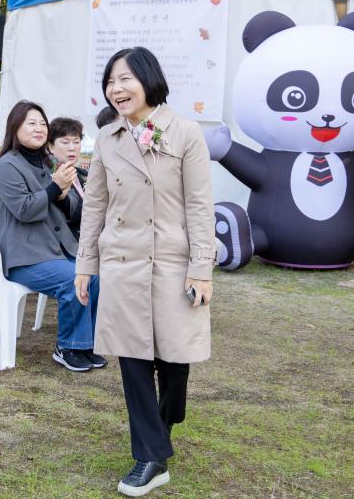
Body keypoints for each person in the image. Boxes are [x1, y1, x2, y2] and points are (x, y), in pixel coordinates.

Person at [74, 48, 216, 497]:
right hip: (121, 261)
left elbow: (200, 205)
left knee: (174, 360)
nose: (116, 89)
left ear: (148, 80)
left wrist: (201, 268)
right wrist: (85, 263)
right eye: (110, 81)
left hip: (173, 262)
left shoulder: (186, 132)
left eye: (125, 79)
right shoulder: (107, 138)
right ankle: (150, 458)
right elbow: (95, 204)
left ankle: (164, 424)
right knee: (133, 360)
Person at [0, 100, 103, 372]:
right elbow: (24, 209)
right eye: (31, 123)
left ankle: (85, 344)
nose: (39, 128)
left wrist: (63, 197)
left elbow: (70, 209)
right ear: (15, 127)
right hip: (23, 255)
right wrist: (55, 188)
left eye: (42, 123)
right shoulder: (7, 165)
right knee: (72, 279)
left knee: (93, 275)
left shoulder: (47, 162)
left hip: (52, 249)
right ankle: (67, 347)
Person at [47, 117, 86, 240]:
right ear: (50, 147)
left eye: (76, 142)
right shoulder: (48, 175)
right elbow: (68, 213)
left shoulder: (83, 173)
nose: (72, 148)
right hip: (66, 242)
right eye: (65, 142)